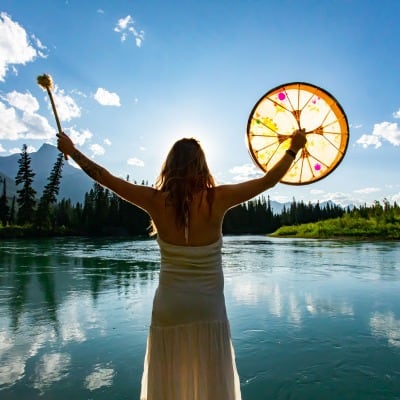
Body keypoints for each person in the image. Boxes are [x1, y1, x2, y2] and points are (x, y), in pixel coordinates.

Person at [57, 129, 306, 400]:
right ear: (202, 165)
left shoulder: (155, 201)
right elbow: (268, 181)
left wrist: (73, 151)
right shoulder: (217, 199)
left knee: (169, 383)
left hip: (169, 308)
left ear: (170, 165)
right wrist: (293, 148)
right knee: (211, 382)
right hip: (208, 309)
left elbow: (105, 179)